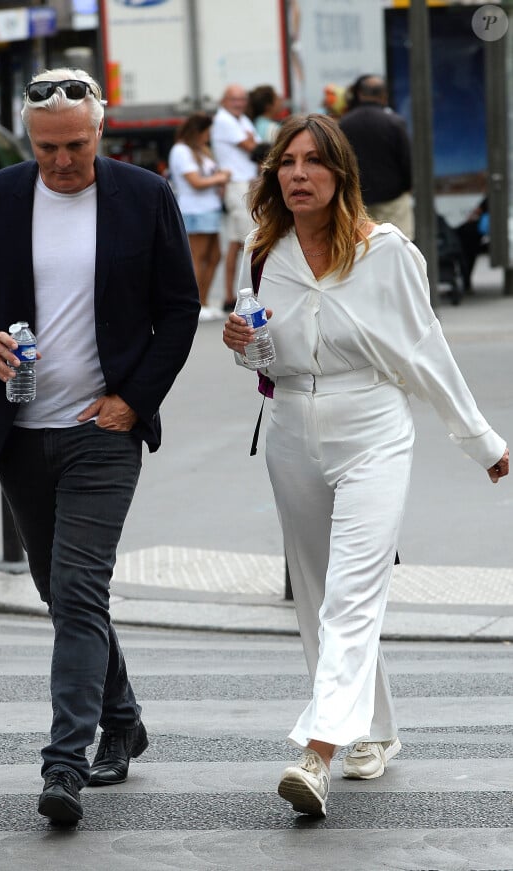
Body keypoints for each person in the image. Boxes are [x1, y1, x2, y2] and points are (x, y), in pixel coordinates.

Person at [222, 113, 508, 819]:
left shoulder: (386, 251)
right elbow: (262, 356)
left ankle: (315, 752)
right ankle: (373, 730)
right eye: (287, 162)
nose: (297, 174)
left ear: (341, 174)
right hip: (290, 426)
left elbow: (425, 351)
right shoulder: (264, 252)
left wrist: (483, 442)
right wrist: (241, 341)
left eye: (313, 162)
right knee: (320, 596)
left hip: (373, 428)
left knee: (352, 592)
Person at [0, 67, 200, 825]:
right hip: (22, 431)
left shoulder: (143, 197)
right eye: (48, 147)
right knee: (65, 596)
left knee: (80, 592)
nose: (62, 161)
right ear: (30, 137)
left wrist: (131, 399)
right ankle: (123, 718)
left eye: (76, 145)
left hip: (102, 431)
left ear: (101, 129)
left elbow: (179, 310)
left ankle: (64, 764)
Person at [168, 112, 231, 321]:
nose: (208, 136)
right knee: (198, 257)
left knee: (215, 256)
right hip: (195, 210)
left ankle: (204, 301)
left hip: (210, 208)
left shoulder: (202, 151)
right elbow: (195, 181)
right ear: (197, 132)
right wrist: (220, 177)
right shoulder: (181, 150)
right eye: (206, 132)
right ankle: (194, 304)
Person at [339, 75, 414, 239]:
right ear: (384, 96)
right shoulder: (394, 122)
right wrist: (407, 186)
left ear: (360, 94)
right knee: (398, 244)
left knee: (362, 249)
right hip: (392, 201)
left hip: (357, 202)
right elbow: (407, 161)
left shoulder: (344, 124)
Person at [211, 84, 260, 312]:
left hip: (243, 185)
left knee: (235, 242)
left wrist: (252, 142)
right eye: (234, 99)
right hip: (238, 186)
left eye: (242, 99)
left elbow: (256, 146)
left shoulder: (240, 120)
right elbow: (253, 147)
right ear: (224, 100)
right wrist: (251, 142)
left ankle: (230, 296)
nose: (239, 103)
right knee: (249, 241)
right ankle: (249, 295)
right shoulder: (225, 120)